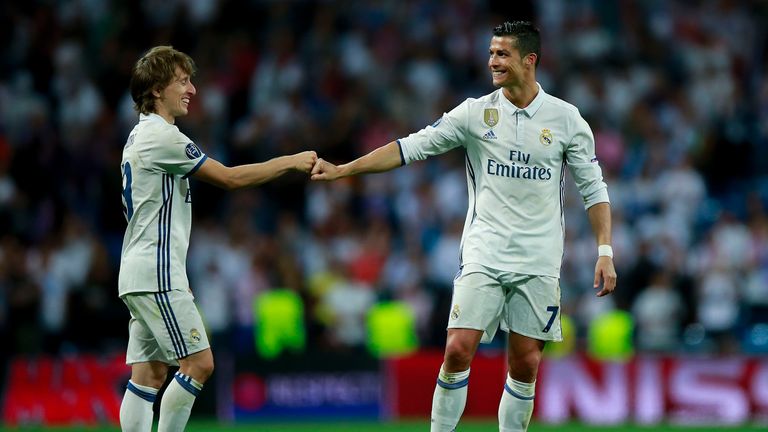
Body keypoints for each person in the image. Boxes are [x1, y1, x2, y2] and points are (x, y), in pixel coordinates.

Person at [311, 21, 617, 432]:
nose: (493, 61)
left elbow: (593, 189)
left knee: (525, 361)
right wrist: (345, 169)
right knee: (457, 348)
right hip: (483, 252)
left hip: (539, 258)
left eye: (502, 54)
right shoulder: (476, 113)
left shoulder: (566, 120)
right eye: (491, 53)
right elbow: (411, 146)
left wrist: (604, 251)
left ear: (530, 60)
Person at [118, 46, 316, 431]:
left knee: (149, 374)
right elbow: (229, 178)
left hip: (139, 271)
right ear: (157, 89)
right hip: (158, 273)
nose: (192, 89)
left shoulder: (137, 137)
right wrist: (289, 161)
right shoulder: (162, 137)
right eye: (183, 81)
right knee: (199, 363)